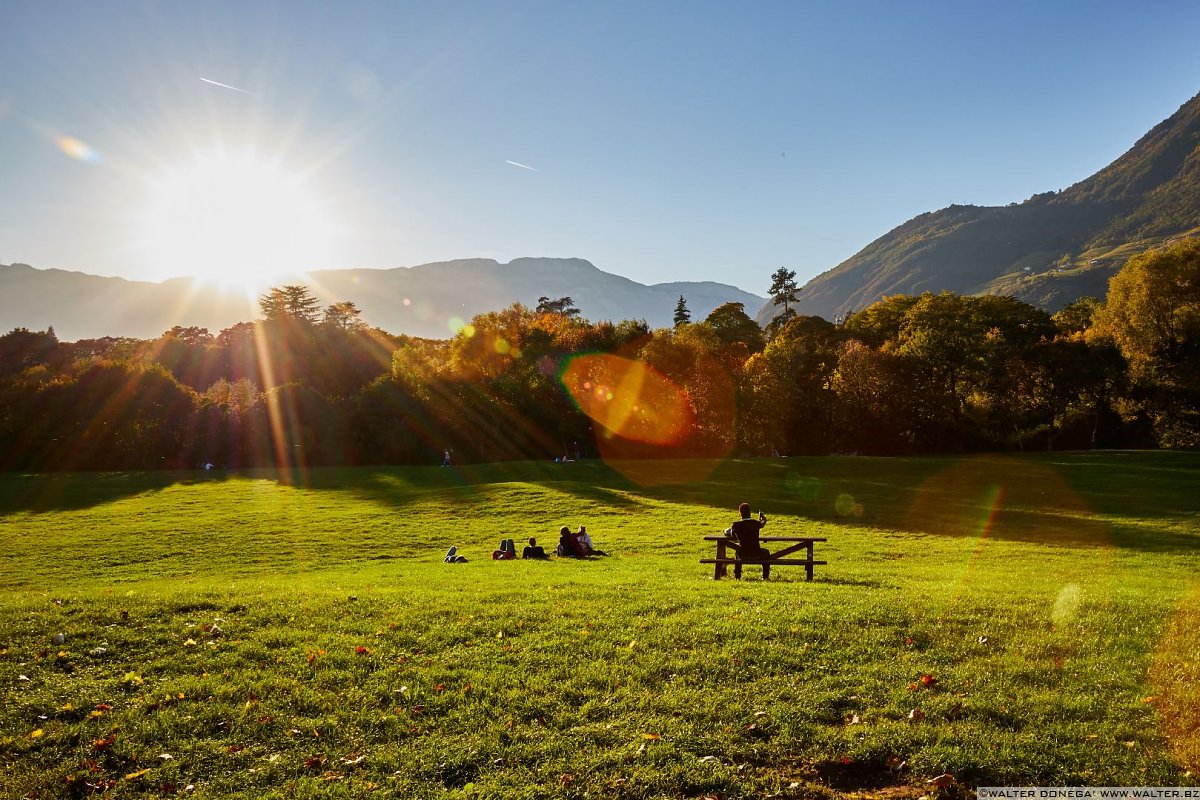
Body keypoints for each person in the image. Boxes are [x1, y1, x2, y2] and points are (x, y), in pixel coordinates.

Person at [726, 502, 770, 578]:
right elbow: (762, 523)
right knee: (766, 552)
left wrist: (726, 531)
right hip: (757, 553)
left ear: (740, 513)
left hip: (743, 554)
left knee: (737, 552)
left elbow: (731, 533)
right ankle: (765, 576)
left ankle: (737, 576)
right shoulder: (756, 523)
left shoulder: (736, 525)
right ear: (750, 513)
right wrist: (762, 518)